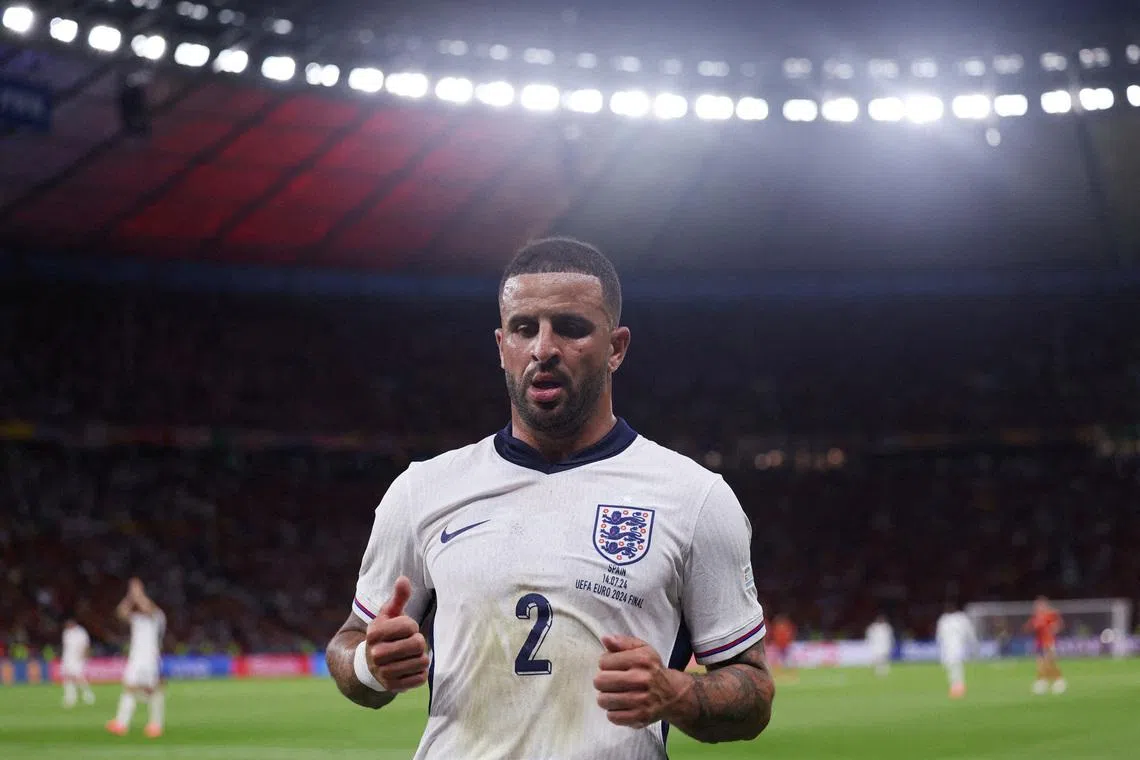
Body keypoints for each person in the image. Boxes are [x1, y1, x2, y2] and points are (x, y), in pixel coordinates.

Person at [326, 238, 775, 759]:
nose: (543, 348)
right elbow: (349, 641)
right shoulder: (422, 490)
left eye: (572, 327)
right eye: (524, 328)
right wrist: (369, 666)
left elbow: (753, 694)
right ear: (501, 346)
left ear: (617, 347)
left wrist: (677, 693)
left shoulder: (694, 498)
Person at [106, 578, 166, 738]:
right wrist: (130, 596)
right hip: (135, 659)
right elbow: (120, 613)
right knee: (129, 687)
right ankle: (121, 724)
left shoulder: (157, 617)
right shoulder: (138, 619)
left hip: (149, 659)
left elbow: (148, 608)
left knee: (151, 691)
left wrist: (138, 593)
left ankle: (155, 724)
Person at [935, 601, 977, 699]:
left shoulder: (957, 619)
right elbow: (939, 635)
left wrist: (972, 643)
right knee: (951, 666)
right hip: (949, 647)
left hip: (957, 647)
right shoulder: (946, 619)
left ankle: (958, 687)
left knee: (956, 666)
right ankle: (955, 686)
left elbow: (969, 633)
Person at [1025, 596, 1065, 694]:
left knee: (1049, 663)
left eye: (1039, 605)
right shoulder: (1036, 617)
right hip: (1039, 643)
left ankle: (1058, 680)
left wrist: (1054, 628)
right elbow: (1029, 627)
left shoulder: (1049, 615)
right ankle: (1043, 681)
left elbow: (1058, 624)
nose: (1037, 607)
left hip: (1048, 642)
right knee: (1040, 664)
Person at [60, 619, 95, 707]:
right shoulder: (66, 632)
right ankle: (70, 697)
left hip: (78, 658)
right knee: (67, 677)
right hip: (67, 657)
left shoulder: (81, 632)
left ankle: (88, 694)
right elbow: (66, 646)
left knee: (78, 676)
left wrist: (84, 656)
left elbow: (86, 645)